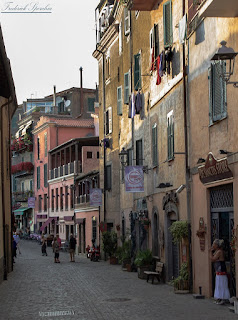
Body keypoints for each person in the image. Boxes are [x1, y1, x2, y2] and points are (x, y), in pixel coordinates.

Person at [209, 239, 230, 305]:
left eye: (214, 244)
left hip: (221, 271)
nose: (213, 245)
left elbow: (213, 259)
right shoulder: (217, 251)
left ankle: (223, 298)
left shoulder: (219, 252)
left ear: (217, 245)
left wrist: (210, 252)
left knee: (221, 284)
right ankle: (219, 298)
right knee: (218, 285)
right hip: (218, 271)